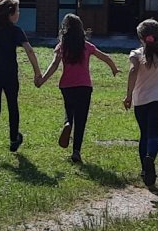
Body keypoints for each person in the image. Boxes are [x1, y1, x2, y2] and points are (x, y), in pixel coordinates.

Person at [38, 14, 120, 163]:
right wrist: (114, 68)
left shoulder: (62, 46)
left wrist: (42, 80)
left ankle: (67, 123)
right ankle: (76, 151)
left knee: (69, 109)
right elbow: (105, 57)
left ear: (65, 29)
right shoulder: (87, 46)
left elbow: (54, 65)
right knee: (81, 119)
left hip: (66, 86)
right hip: (84, 86)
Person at [0, 0, 42, 151]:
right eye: (17, 11)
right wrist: (37, 72)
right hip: (10, 75)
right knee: (13, 106)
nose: (19, 14)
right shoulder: (16, 31)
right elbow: (29, 50)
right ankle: (14, 139)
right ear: (10, 14)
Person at [123, 19, 158, 187]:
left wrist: (128, 95)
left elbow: (133, 71)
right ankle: (151, 158)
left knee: (144, 134)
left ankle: (144, 169)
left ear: (141, 38)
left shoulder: (136, 54)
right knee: (155, 134)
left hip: (140, 100)